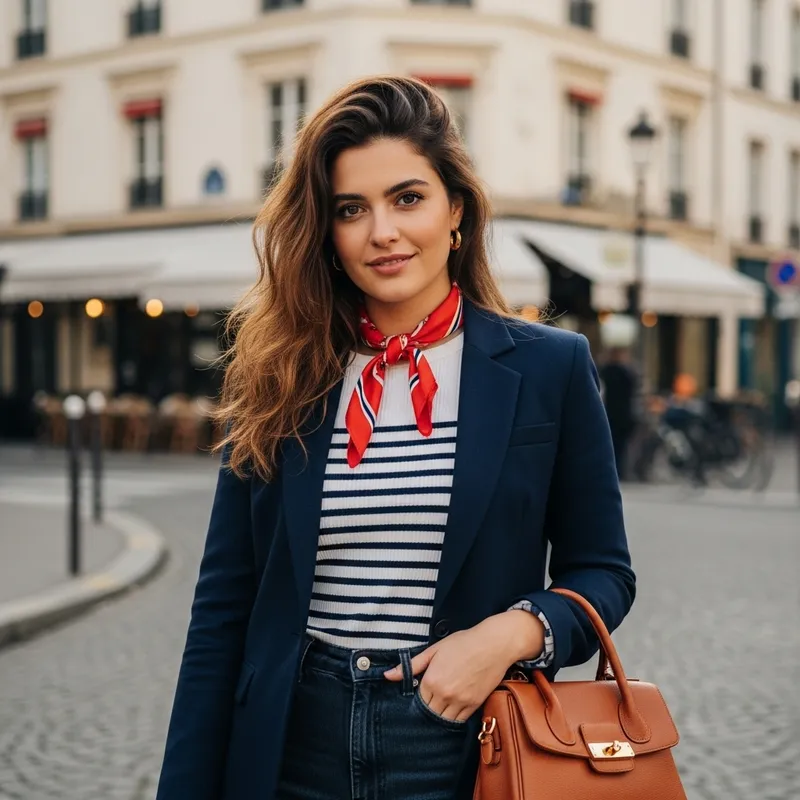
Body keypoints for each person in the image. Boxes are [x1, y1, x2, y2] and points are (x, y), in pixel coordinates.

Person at [155, 76, 635, 800]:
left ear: (456, 212)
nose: (382, 231)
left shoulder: (548, 368)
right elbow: (222, 609)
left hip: (464, 740)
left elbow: (603, 572)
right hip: (291, 737)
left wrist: (506, 636)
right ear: (327, 231)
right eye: (352, 209)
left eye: (407, 198)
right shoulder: (279, 375)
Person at [599, 347, 638, 480]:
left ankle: (614, 470)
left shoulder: (605, 371)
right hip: (621, 414)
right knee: (620, 446)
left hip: (610, 413)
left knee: (612, 445)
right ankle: (620, 471)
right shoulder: (624, 373)